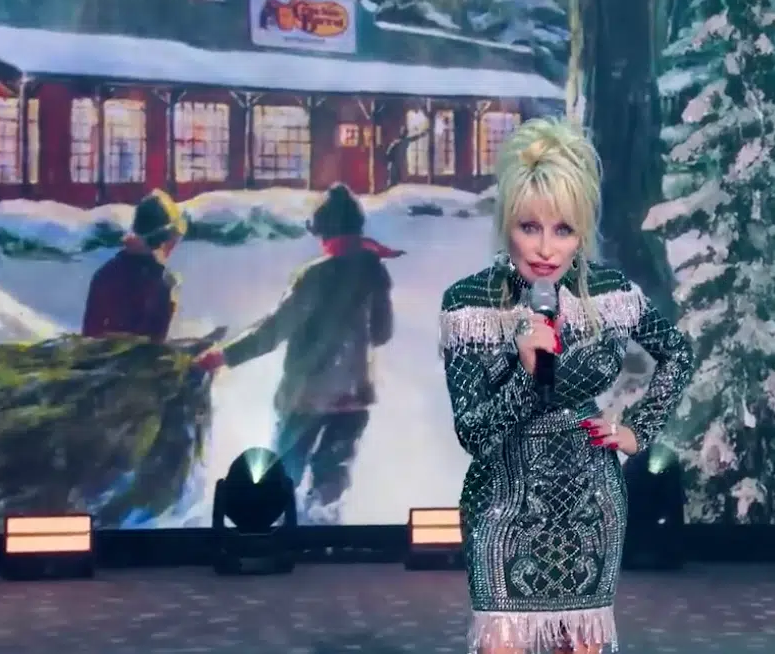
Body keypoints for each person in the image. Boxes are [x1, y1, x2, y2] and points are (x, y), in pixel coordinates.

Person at [438, 117, 694, 653]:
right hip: (500, 504)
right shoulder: (468, 303)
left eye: (563, 230)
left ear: (581, 232)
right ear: (506, 222)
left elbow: (678, 352)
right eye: (529, 226)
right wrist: (525, 374)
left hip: (589, 504)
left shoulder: (611, 293)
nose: (545, 249)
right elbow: (473, 434)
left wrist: (638, 429)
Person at [194, 183, 401, 519]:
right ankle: (323, 534)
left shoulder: (314, 275)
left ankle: (280, 533)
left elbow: (274, 331)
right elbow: (382, 334)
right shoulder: (374, 271)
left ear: (325, 232)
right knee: (330, 482)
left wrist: (223, 355)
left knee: (283, 475)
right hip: (354, 396)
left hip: (306, 396)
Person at [82, 189, 187, 342]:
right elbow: (159, 344)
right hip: (144, 356)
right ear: (161, 240)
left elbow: (89, 338)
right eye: (173, 241)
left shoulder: (104, 274)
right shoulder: (166, 282)